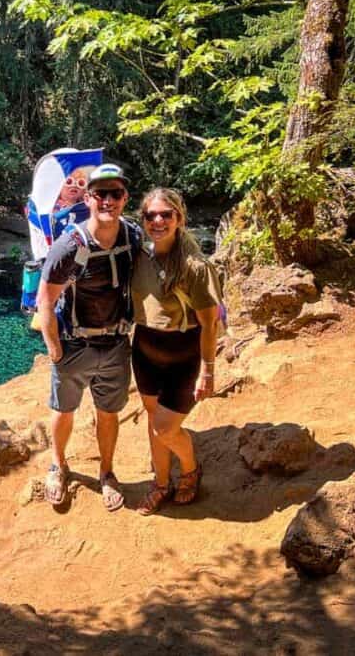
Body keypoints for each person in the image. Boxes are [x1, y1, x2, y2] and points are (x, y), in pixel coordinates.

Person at [36, 163, 141, 511]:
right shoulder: (70, 245)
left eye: (115, 193)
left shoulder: (132, 237)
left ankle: (107, 472)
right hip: (75, 344)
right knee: (64, 410)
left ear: (124, 198)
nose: (107, 200)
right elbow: (45, 300)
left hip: (116, 344)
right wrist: (54, 349)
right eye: (100, 194)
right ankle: (58, 465)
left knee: (108, 412)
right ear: (88, 198)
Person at [129, 188, 220, 515]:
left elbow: (209, 323)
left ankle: (191, 470)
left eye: (165, 214)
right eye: (150, 215)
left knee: (164, 428)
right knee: (154, 419)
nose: (158, 221)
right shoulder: (139, 257)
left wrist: (207, 370)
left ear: (179, 218)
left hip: (184, 356)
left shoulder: (195, 267)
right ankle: (161, 483)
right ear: (143, 220)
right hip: (145, 352)